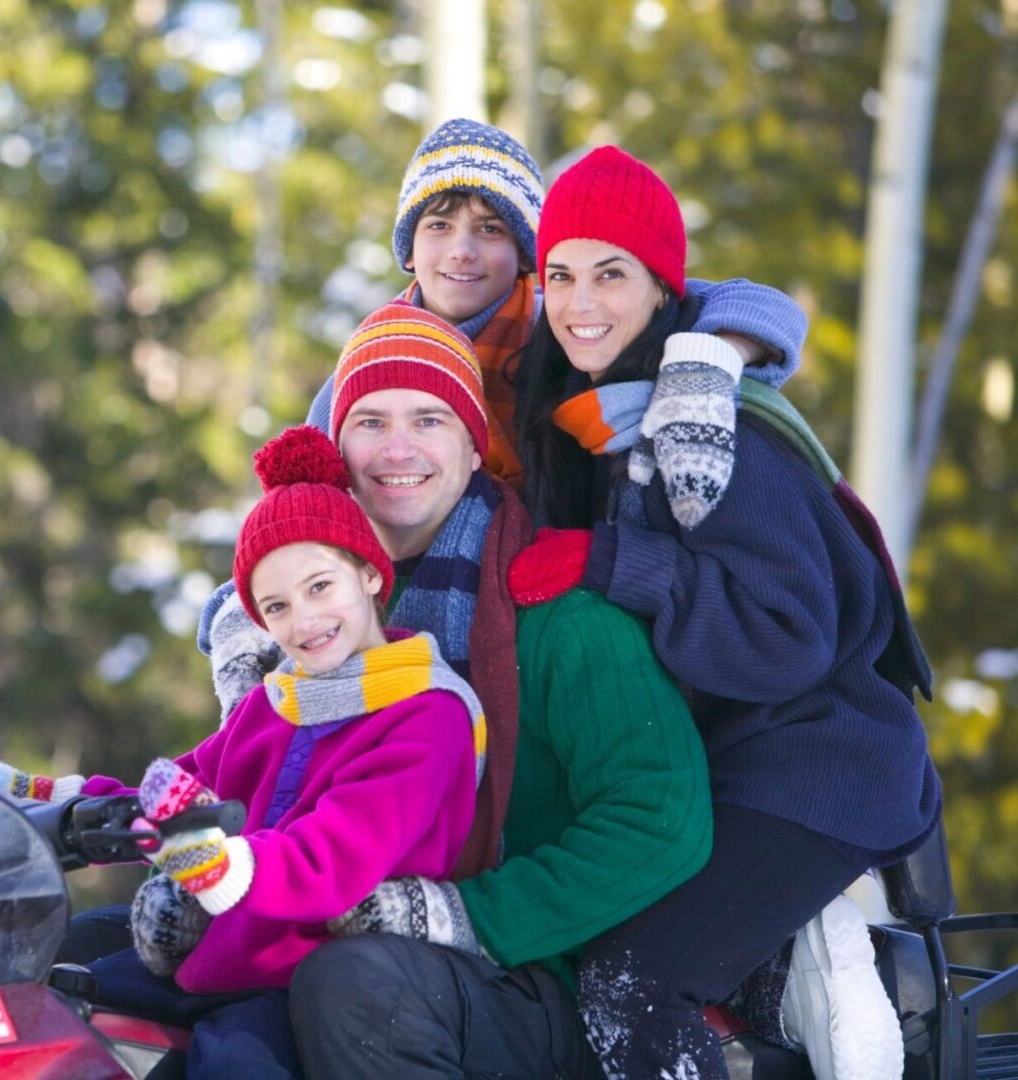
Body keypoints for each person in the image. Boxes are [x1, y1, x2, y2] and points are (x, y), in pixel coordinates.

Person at [504, 144, 942, 1080]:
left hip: (818, 759)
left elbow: (785, 641)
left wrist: (613, 563)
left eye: (610, 274)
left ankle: (805, 943)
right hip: (733, 763)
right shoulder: (603, 421)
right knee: (606, 942)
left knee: (631, 987)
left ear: (662, 288)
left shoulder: (718, 430)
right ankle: (796, 961)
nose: (581, 304)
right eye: (561, 276)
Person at [223, 307, 715, 1078]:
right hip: (334, 925)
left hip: (530, 978)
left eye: (428, 418)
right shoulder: (314, 638)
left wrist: (463, 916)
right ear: (337, 448)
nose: (396, 449)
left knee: (354, 982)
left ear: (472, 442)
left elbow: (660, 820)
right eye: (368, 422)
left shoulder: (561, 620)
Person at [0, 423, 487, 1079]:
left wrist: (223, 869)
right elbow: (178, 792)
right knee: (36, 1009)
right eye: (277, 607)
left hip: (313, 974)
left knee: (234, 1065)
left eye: (320, 587)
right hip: (225, 954)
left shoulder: (425, 714)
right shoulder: (277, 702)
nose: (305, 621)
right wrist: (40, 801)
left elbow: (338, 857)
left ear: (370, 574)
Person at [301, 117, 808, 492]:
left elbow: (759, 306)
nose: (461, 249)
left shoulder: (566, 317)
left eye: (490, 228)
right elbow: (302, 494)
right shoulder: (374, 358)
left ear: (525, 252)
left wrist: (708, 360)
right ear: (409, 249)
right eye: (438, 225)